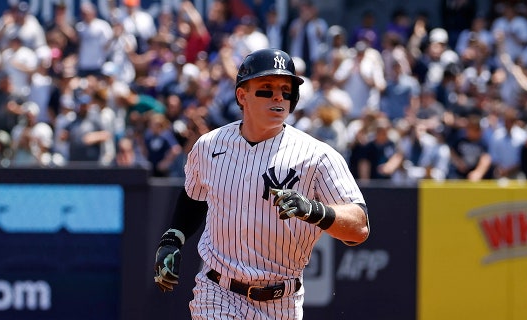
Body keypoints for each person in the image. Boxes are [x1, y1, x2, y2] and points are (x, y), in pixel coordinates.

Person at [153, 48, 369, 319]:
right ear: (242, 95)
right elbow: (194, 198)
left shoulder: (318, 156)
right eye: (266, 88)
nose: (278, 96)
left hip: (283, 301)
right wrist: (172, 239)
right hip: (218, 293)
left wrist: (315, 211)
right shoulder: (209, 146)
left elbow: (359, 226)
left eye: (286, 89)